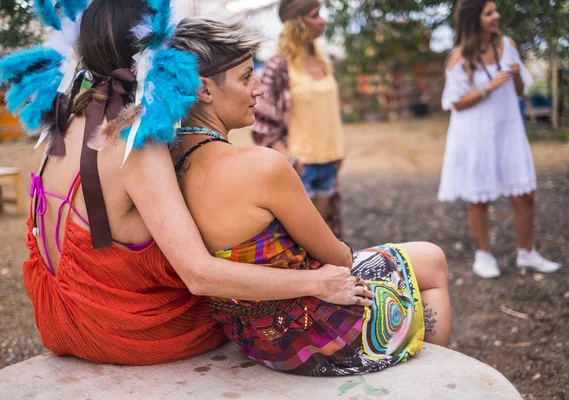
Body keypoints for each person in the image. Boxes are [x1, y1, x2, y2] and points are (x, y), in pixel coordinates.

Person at [0, 0, 370, 365]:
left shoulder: (63, 125)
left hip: (57, 316)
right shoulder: (135, 142)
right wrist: (318, 283)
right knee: (251, 305)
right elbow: (198, 275)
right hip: (121, 330)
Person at [165, 17, 450, 376]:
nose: (259, 89)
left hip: (253, 336)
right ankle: (432, 380)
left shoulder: (168, 161)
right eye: (245, 77)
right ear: (203, 89)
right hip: (315, 333)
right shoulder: (261, 166)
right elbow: (337, 257)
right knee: (432, 260)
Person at [438, 0, 561, 279]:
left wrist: (516, 76)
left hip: (508, 130)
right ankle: (483, 255)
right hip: (476, 134)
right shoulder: (459, 55)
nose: (497, 16)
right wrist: (488, 88)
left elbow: (519, 91)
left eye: (495, 11)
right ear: (474, 19)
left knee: (525, 193)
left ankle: (527, 253)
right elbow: (455, 103)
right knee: (479, 197)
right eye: (489, 12)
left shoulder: (508, 44)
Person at [252, 0, 344, 237]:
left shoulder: (323, 61)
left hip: (329, 161)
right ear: (298, 23)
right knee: (297, 240)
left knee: (324, 237)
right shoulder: (278, 66)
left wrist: (338, 152)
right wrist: (289, 159)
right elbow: (262, 120)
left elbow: (328, 112)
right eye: (315, 15)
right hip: (300, 166)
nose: (322, 21)